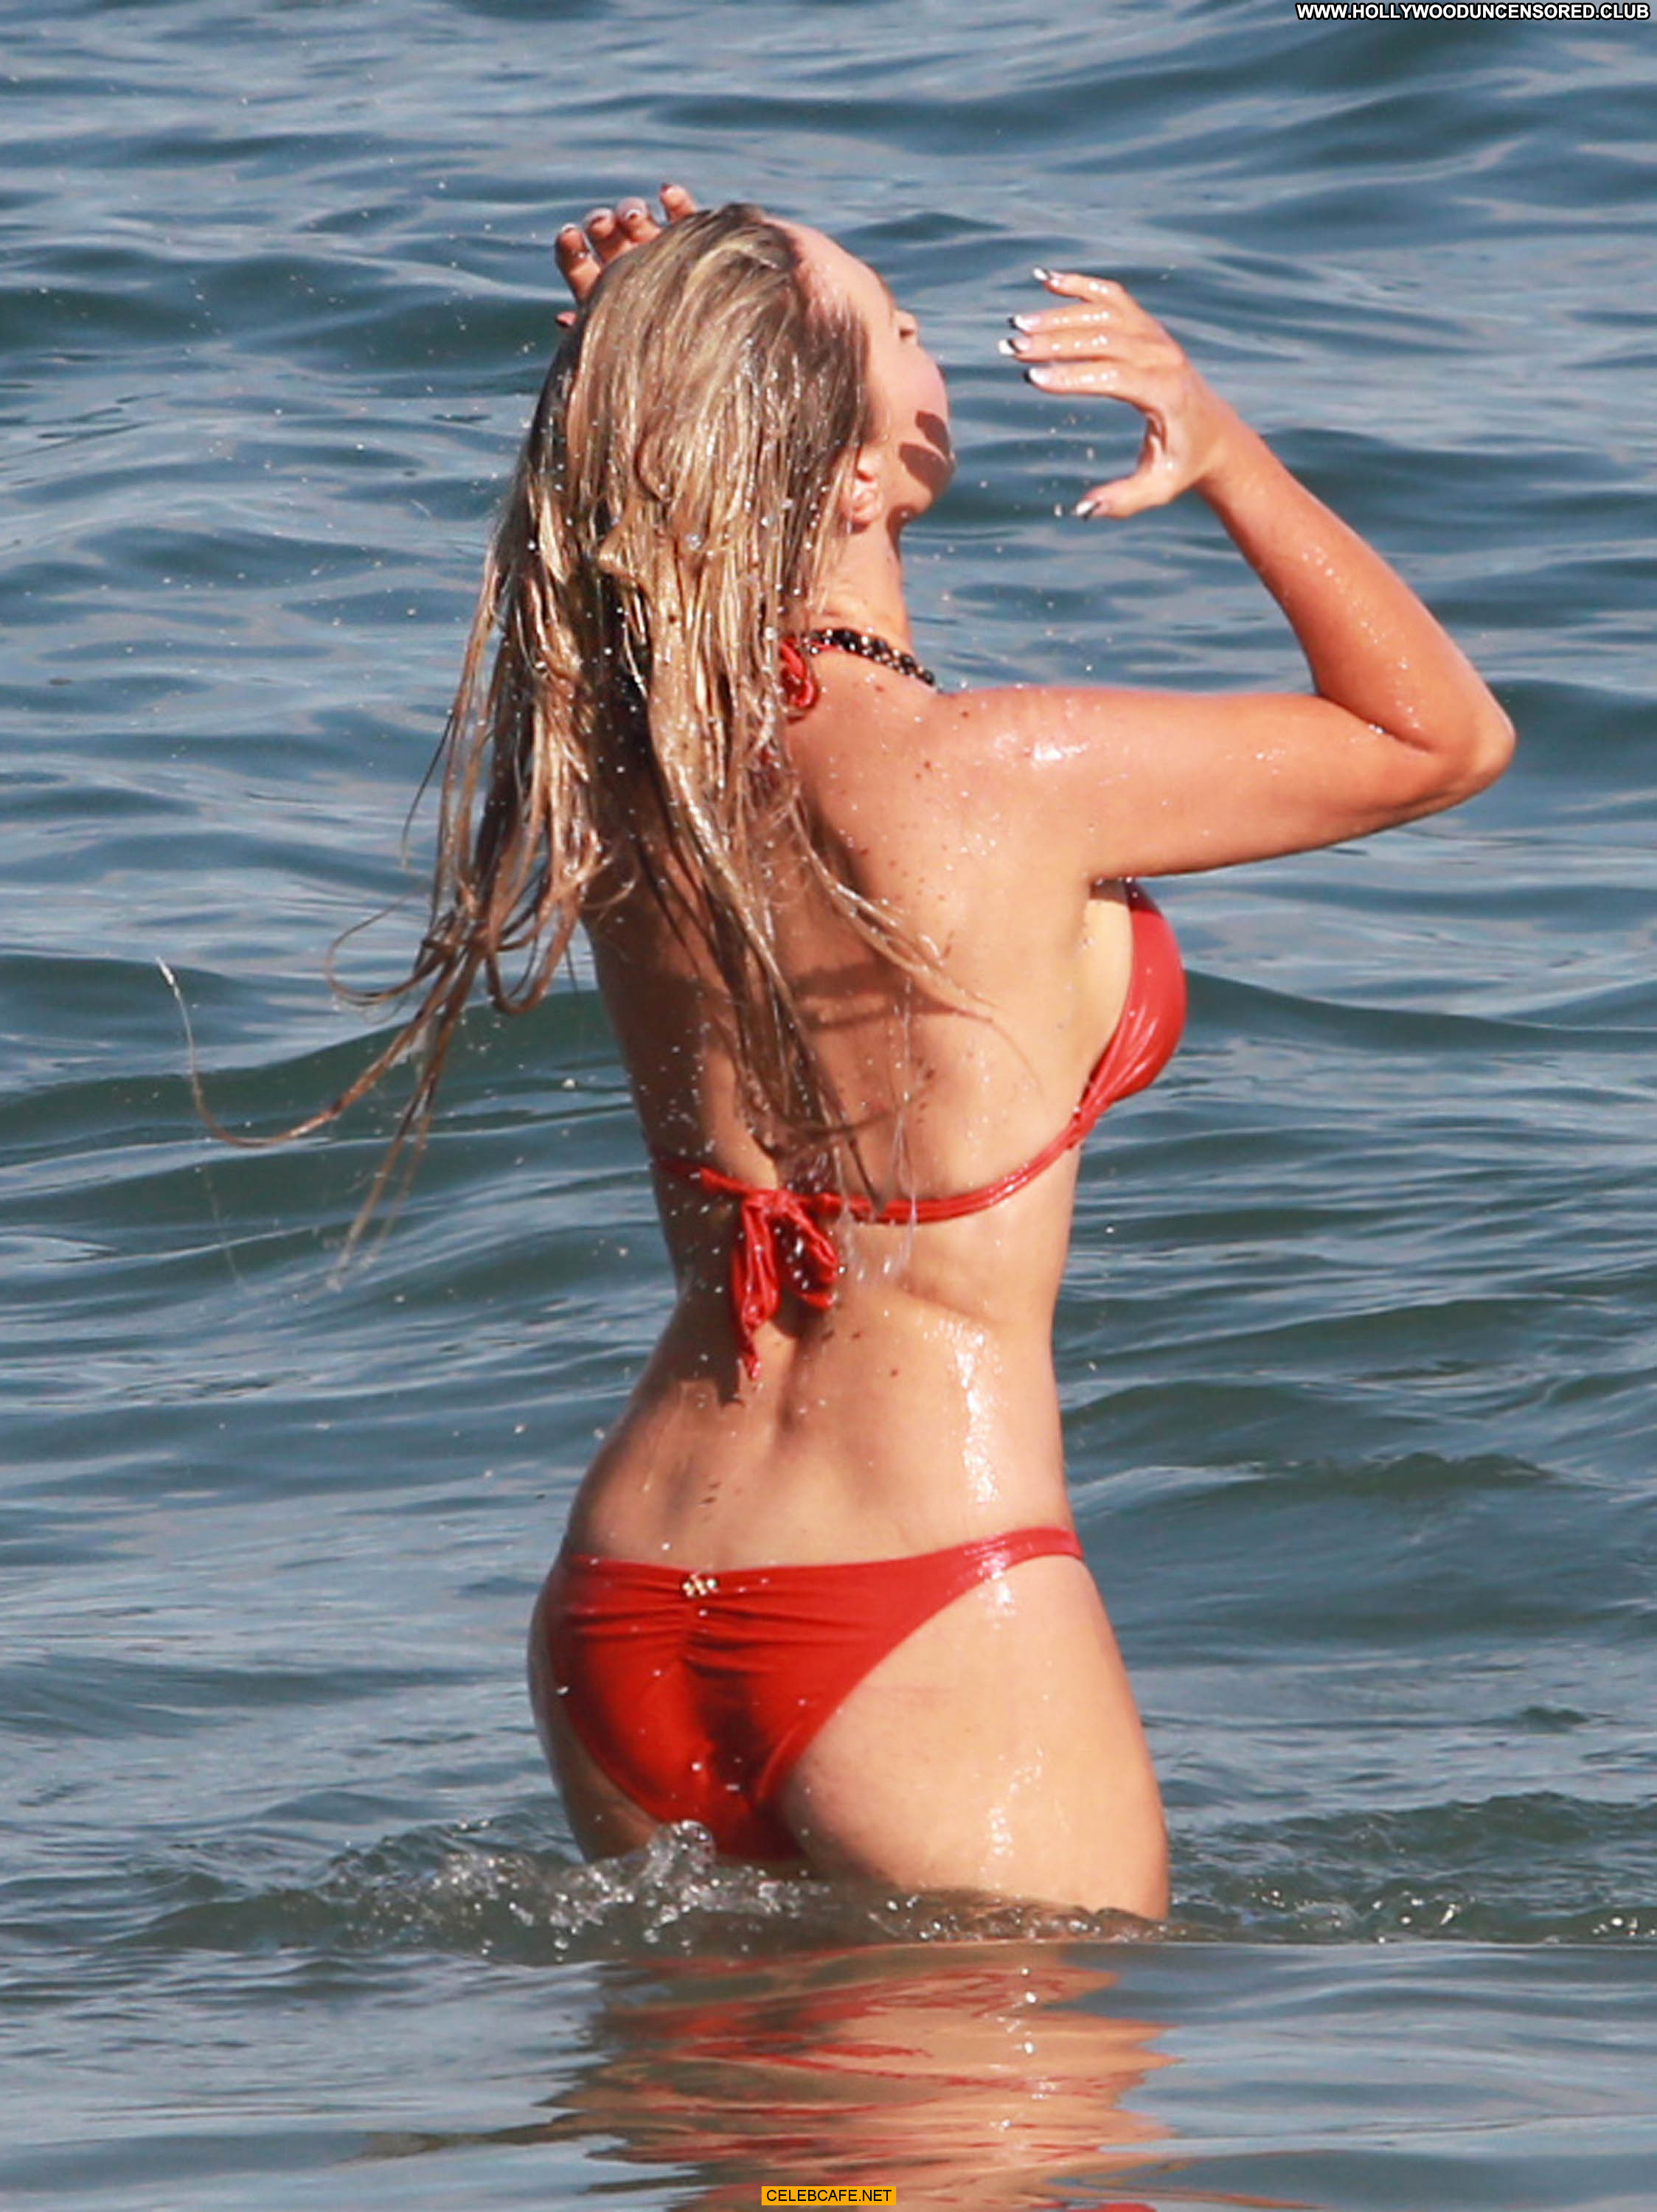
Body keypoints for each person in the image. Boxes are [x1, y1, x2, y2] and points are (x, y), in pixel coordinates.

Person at [378, 188, 1512, 1917]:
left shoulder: (635, 765)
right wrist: (1218, 449)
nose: (933, 349)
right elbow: (1439, 737)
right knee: (1042, 2092)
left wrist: (647, 348)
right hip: (914, 1600)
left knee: (734, 2101)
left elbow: (638, 556)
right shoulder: (999, 774)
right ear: (851, 472)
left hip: (626, 1600)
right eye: (901, 326)